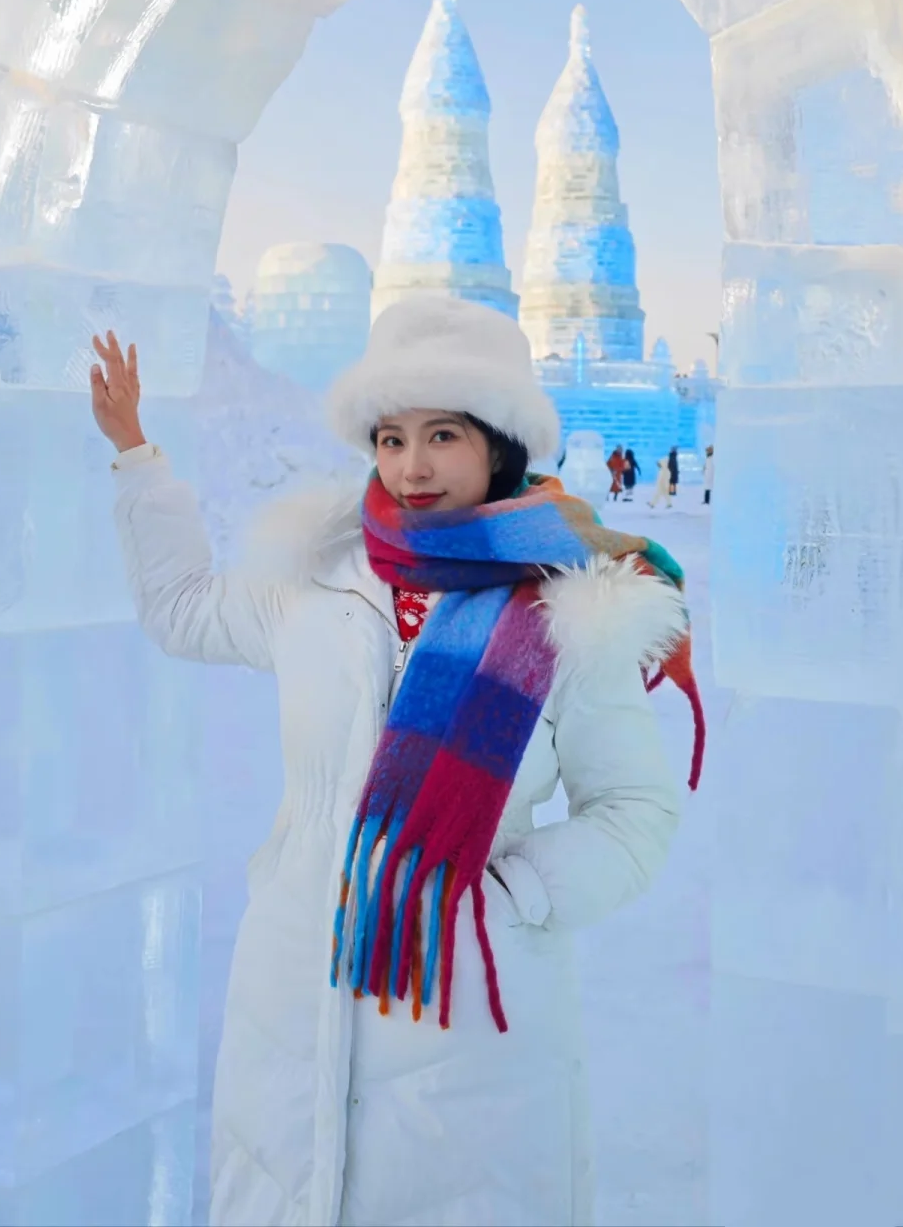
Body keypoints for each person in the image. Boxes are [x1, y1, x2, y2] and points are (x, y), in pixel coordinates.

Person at [90, 296, 703, 1227]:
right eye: (389, 437)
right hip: (291, 1005)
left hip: (470, 1042)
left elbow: (633, 810)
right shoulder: (316, 584)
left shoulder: (568, 614)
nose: (411, 467)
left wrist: (513, 899)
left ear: (497, 444)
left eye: (442, 435)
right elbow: (182, 611)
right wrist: (136, 455)